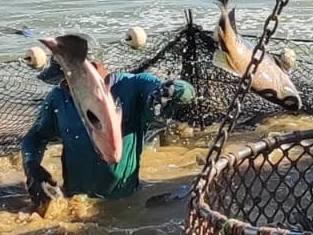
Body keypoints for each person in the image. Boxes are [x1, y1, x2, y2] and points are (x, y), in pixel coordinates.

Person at [22, 56, 194, 208]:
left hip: (123, 201)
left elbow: (187, 92)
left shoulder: (134, 86)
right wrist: (31, 166)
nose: (65, 87)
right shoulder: (59, 97)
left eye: (69, 80)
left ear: (95, 69)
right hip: (76, 201)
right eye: (62, 82)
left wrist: (172, 91)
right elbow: (36, 136)